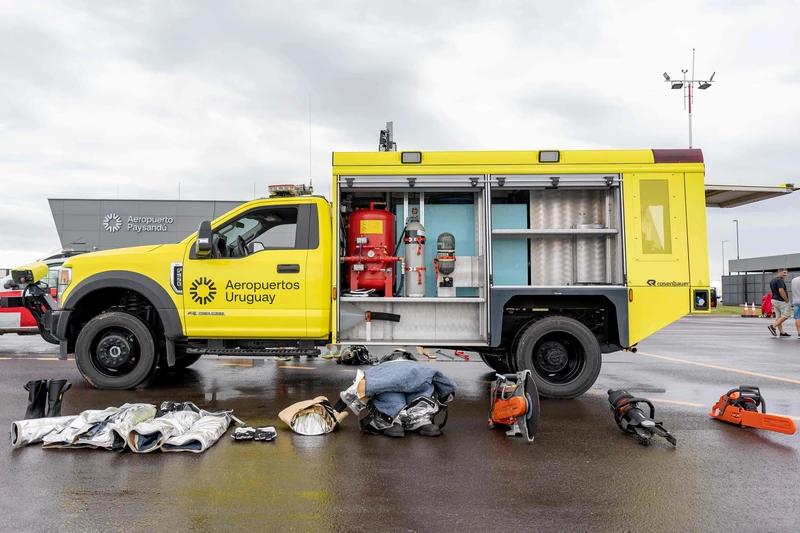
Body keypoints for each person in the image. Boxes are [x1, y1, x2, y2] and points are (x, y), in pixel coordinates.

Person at [768, 268, 792, 337]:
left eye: (786, 273)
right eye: (784, 273)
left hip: (774, 300)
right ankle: (773, 326)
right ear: (779, 272)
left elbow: (770, 290)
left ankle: (782, 332)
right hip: (781, 301)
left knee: (779, 317)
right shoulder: (780, 281)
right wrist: (786, 300)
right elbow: (781, 291)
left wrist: (773, 297)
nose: (786, 274)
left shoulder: (772, 280)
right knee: (786, 315)